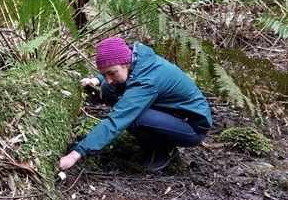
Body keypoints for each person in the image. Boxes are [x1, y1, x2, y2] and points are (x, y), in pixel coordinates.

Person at [59, 36, 212, 173]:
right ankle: (151, 141)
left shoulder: (147, 81)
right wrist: (97, 79)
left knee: (134, 117)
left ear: (126, 63)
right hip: (172, 112)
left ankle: (163, 149)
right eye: (106, 73)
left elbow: (117, 119)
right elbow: (113, 68)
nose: (109, 78)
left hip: (191, 127)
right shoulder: (135, 58)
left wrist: (75, 155)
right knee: (107, 87)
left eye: (111, 73)